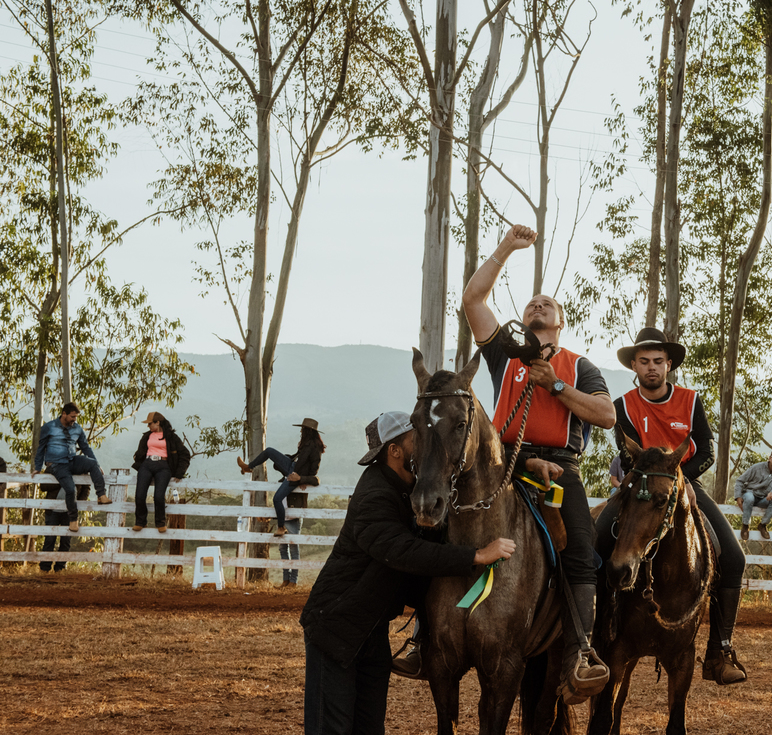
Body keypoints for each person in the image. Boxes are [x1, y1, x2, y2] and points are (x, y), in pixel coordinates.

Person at [463, 223, 616, 705]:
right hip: (503, 465)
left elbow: (606, 416)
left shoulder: (580, 366)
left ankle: (579, 654)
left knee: (582, 551)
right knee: (446, 521)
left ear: (560, 321)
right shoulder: (503, 356)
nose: (537, 306)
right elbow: (472, 301)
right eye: (531, 303)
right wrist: (506, 247)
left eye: (546, 304)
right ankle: (427, 634)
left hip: (560, 469)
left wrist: (555, 386)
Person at [301, 411, 515, 735]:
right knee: (331, 729)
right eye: (417, 439)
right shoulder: (374, 494)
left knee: (369, 728)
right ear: (395, 450)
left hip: (371, 631)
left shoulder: (408, 487)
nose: (426, 446)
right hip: (337, 629)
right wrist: (476, 555)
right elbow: (404, 551)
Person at [599, 327, 749, 685]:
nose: (651, 367)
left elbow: (707, 451)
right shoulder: (622, 406)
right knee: (596, 542)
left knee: (733, 558)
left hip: (687, 485)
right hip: (639, 488)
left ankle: (719, 651)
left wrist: (682, 481)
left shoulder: (690, 401)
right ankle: (594, 639)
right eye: (644, 361)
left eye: (658, 361)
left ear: (669, 365)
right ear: (634, 366)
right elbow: (627, 455)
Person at [237, 418, 323, 537]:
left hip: (294, 475)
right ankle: (248, 467)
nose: (301, 432)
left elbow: (314, 471)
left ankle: (281, 527)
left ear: (308, 431)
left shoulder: (315, 448)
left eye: (303, 429)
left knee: (277, 499)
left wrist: (301, 479)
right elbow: (298, 461)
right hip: (292, 467)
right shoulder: (306, 444)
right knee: (269, 451)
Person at [34, 402, 112, 532]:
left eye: (76, 417)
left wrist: (97, 465)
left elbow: (85, 447)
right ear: (64, 414)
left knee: (92, 463)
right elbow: (41, 448)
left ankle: (101, 495)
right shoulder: (49, 427)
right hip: (57, 464)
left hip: (71, 460)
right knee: (70, 489)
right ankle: (73, 520)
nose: (74, 419)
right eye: (72, 416)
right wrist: (37, 467)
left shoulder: (77, 429)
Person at [131, 412, 191, 533]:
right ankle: (140, 522)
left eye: (150, 423)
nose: (148, 426)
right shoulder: (147, 436)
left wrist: (180, 472)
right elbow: (140, 451)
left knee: (159, 496)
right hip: (147, 464)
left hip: (163, 466)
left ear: (157, 422)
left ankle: (160, 522)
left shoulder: (171, 437)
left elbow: (185, 454)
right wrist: (138, 460)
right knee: (139, 495)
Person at [733, 449, 772, 540]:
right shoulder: (757, 467)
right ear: (770, 458)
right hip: (750, 494)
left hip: (764, 499)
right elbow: (740, 481)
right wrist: (738, 496)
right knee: (749, 497)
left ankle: (763, 525)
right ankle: (745, 526)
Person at [40, 482, 87, 572]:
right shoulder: (53, 471)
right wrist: (63, 480)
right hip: (52, 509)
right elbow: (43, 486)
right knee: (49, 539)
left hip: (70, 511)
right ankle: (44, 568)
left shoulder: (81, 473)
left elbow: (86, 488)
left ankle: (60, 568)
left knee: (66, 540)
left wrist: (79, 504)